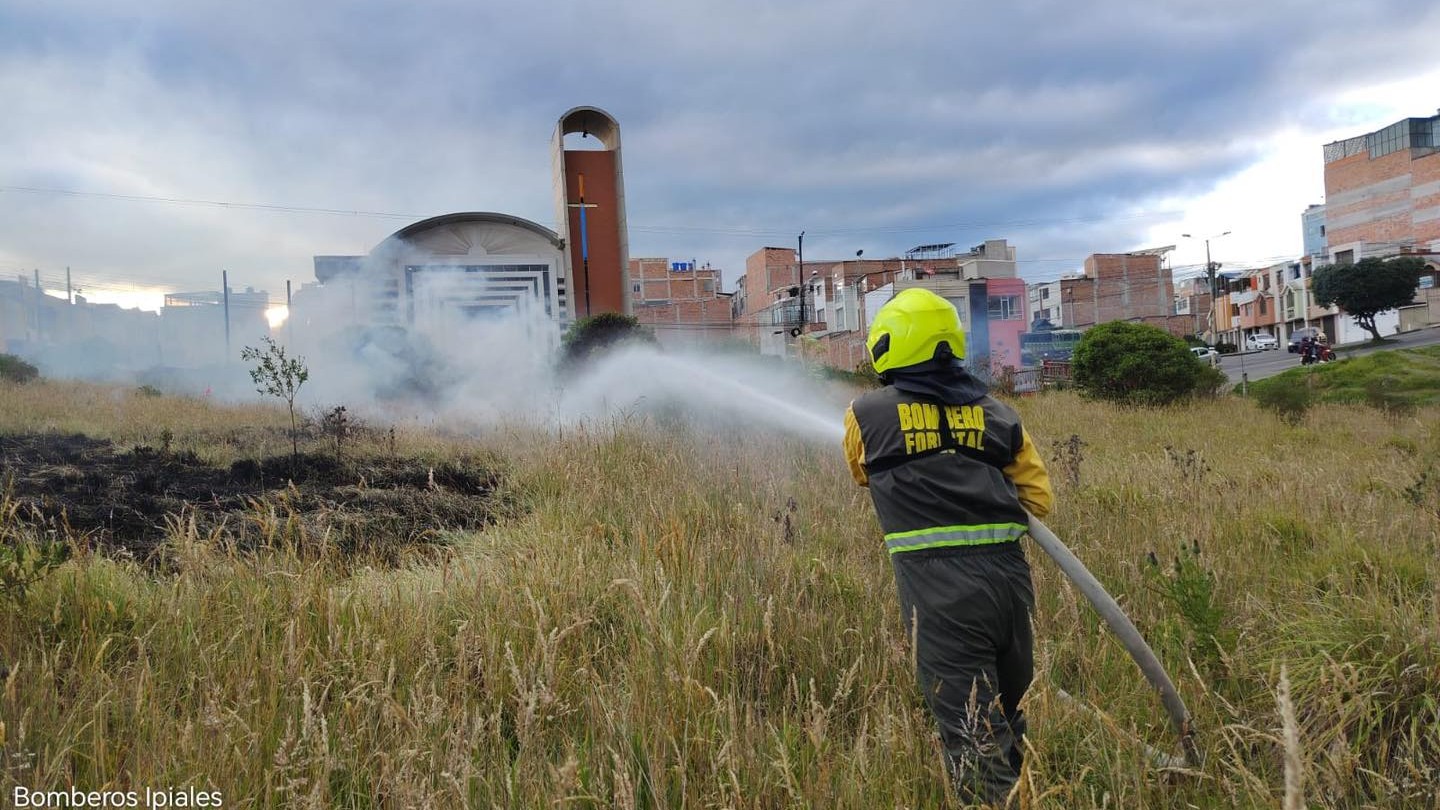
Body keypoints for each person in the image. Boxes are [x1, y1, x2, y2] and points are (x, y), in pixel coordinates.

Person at [842, 288, 1053, 804]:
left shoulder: (866, 415)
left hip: (941, 595)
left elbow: (861, 472)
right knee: (1007, 712)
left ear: (890, 345)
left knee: (972, 730)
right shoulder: (1000, 415)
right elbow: (1039, 501)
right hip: (1009, 588)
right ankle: (1022, 792)